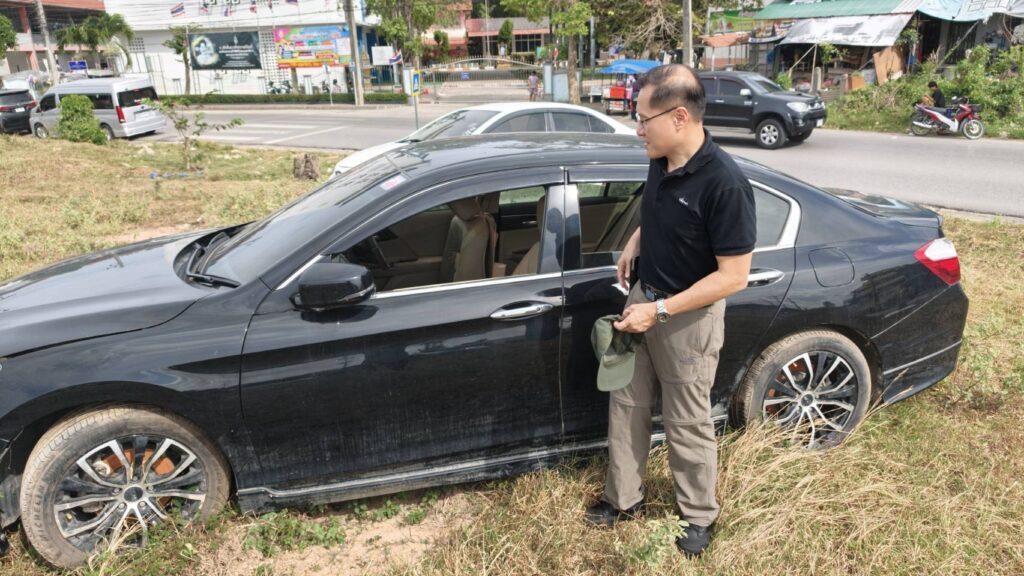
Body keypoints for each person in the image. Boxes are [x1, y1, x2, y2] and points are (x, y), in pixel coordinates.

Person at [584, 64, 756, 560]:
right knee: (627, 405)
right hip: (644, 299)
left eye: (643, 119)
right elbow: (657, 208)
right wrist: (633, 241)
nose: (637, 129)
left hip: (686, 319)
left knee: (687, 422)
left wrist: (657, 312)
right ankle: (625, 499)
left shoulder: (725, 184)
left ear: (679, 117)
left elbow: (733, 277)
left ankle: (699, 516)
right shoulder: (661, 159)